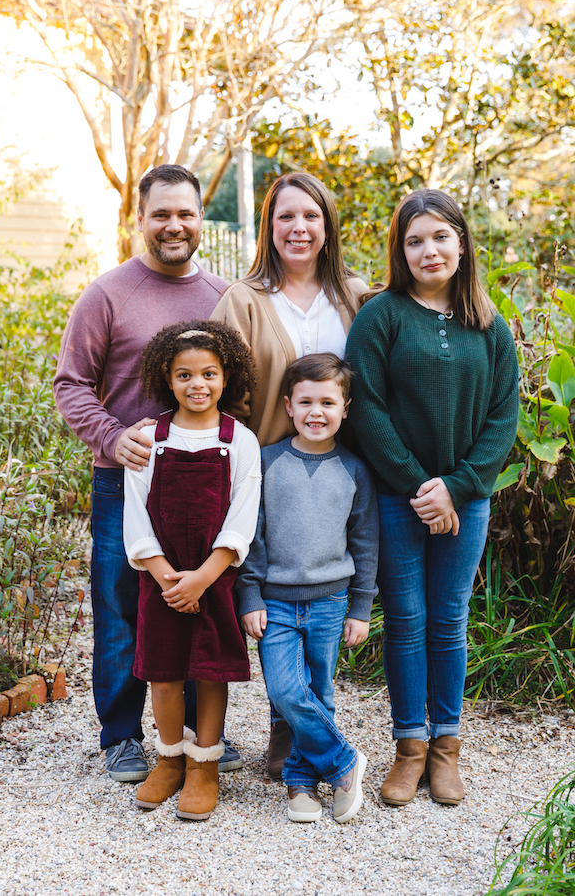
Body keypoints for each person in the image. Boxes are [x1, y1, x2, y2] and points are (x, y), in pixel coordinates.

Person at [53, 165, 241, 783]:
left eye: (185, 213)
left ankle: (191, 735)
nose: (174, 225)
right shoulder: (106, 294)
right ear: (140, 219)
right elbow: (72, 386)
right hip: (123, 481)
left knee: (200, 599)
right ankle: (121, 738)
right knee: (122, 608)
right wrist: (112, 438)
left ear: (200, 220)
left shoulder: (222, 296)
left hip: (202, 482)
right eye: (161, 214)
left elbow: (234, 386)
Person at [345, 189, 519, 807]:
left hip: (466, 500)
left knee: (449, 621)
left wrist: (458, 486)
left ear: (463, 242)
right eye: (415, 240)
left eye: (441, 236)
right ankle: (408, 748)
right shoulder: (381, 317)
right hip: (399, 497)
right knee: (408, 622)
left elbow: (504, 417)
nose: (429, 250)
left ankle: (446, 748)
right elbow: (364, 406)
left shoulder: (488, 323)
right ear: (401, 249)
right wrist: (422, 485)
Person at [211, 171, 370, 776]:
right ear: (268, 226)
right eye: (285, 217)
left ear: (327, 226)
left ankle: (308, 728)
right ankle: (285, 727)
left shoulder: (358, 296)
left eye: (311, 217)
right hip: (264, 476)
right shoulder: (243, 300)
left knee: (323, 612)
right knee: (274, 605)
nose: (298, 228)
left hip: (339, 477)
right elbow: (219, 392)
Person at [123, 320, 261, 818]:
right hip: (159, 579)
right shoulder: (148, 438)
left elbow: (243, 518)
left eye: (208, 373)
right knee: (162, 673)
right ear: (167, 377)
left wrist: (203, 577)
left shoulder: (240, 441)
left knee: (208, 670)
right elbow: (135, 516)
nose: (197, 384)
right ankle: (169, 759)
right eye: (184, 375)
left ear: (227, 377)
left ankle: (204, 764)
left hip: (215, 575)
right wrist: (166, 577)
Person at [237, 353, 379, 823]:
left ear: (345, 408)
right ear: (288, 406)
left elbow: (365, 540)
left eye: (328, 402)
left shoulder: (355, 470)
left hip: (330, 601)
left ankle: (301, 784)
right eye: (306, 402)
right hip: (275, 601)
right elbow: (251, 534)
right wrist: (251, 594)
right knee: (285, 689)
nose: (316, 412)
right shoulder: (267, 461)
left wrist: (361, 606)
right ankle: (343, 761)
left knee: (320, 691)